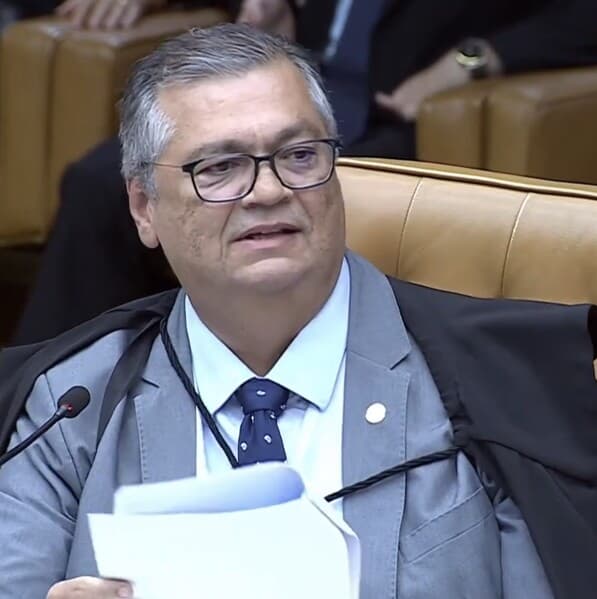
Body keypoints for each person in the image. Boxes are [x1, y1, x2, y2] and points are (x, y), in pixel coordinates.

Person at [1, 22, 597, 599]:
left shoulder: (493, 387)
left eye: (300, 155)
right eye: (219, 167)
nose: (269, 191)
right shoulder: (69, 407)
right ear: (143, 208)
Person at [12, 0, 597, 344]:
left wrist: (476, 58)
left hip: (408, 112)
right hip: (290, 82)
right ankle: (46, 396)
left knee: (307, 189)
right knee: (101, 180)